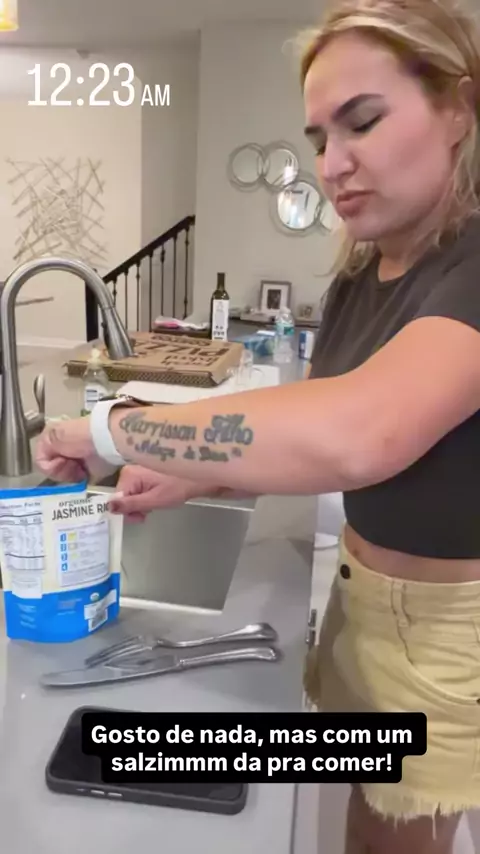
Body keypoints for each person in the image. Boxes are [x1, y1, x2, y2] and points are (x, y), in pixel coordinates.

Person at [35, 0, 480, 850]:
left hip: (445, 632)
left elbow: (361, 434)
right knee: (355, 821)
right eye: (319, 138)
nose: (333, 164)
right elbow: (308, 429)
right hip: (361, 598)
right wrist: (196, 471)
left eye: (363, 122)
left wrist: (106, 429)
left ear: (458, 108)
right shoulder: (363, 276)